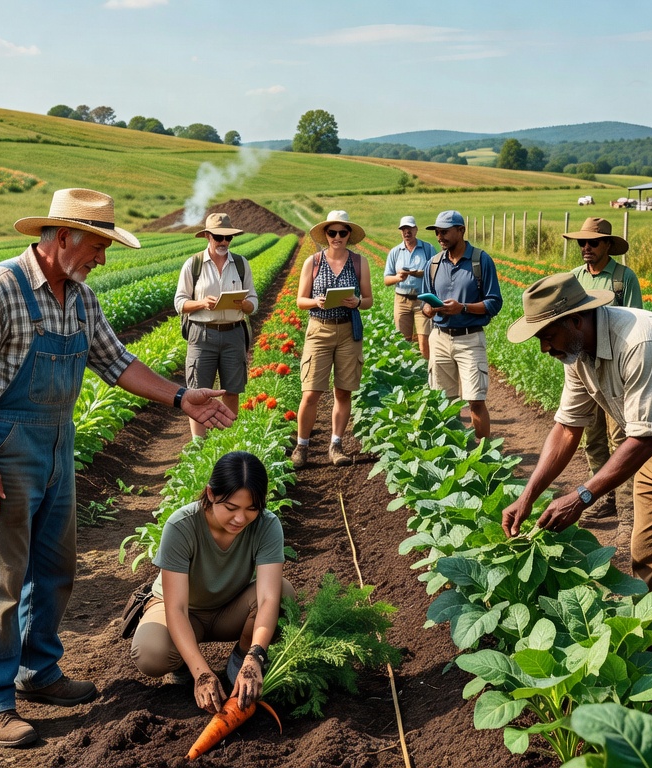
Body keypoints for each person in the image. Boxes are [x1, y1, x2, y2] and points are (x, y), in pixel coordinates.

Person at [0, 188, 236, 747]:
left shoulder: (80, 298)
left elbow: (116, 362)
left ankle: (37, 670)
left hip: (58, 440)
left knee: (54, 567)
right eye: (98, 246)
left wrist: (181, 397)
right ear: (62, 237)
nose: (102, 258)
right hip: (4, 444)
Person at [501, 272, 652, 671]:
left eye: (547, 335)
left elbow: (643, 438)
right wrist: (527, 496)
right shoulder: (576, 353)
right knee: (646, 555)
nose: (544, 347)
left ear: (575, 320)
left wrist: (582, 496)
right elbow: (567, 428)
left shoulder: (639, 342)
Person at [129, 451, 294, 714]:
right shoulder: (182, 526)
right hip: (185, 611)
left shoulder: (266, 526)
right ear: (210, 493)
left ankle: (239, 660)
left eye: (251, 509)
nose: (240, 519)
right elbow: (176, 608)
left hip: (230, 608)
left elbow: (267, 599)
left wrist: (255, 656)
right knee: (151, 652)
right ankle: (185, 664)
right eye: (231, 508)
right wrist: (202, 673)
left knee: (283, 594)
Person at [563, 217, 642, 518]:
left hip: (615, 369)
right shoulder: (573, 278)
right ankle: (602, 498)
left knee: (620, 436)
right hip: (583, 367)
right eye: (582, 242)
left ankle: (627, 507)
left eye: (593, 242)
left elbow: (636, 323)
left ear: (607, 244)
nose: (586, 247)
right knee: (591, 436)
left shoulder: (623, 278)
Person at [292, 210, 374, 469]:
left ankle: (336, 445)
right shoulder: (314, 262)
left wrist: (357, 302)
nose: (337, 237)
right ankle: (302, 446)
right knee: (311, 392)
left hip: (349, 331)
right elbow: (300, 300)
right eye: (332, 232)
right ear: (325, 234)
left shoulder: (359, 263)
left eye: (342, 232)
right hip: (319, 329)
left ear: (349, 235)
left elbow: (369, 300)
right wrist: (315, 301)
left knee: (343, 390)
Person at [175, 213, 258, 438]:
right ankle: (199, 444)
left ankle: (226, 440)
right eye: (218, 237)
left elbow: (253, 300)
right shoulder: (193, 264)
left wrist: (245, 305)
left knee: (232, 390)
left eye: (228, 238)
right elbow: (179, 302)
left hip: (233, 333)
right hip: (202, 335)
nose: (223, 242)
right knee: (198, 393)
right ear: (207, 236)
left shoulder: (240, 264)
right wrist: (202, 303)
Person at [421, 210, 502, 440]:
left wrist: (463, 307)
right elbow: (424, 302)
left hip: (470, 339)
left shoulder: (480, 260)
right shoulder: (433, 264)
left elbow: (494, 303)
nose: (440, 236)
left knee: (475, 400)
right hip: (439, 338)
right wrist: (428, 309)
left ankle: (484, 452)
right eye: (437, 232)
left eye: (445, 232)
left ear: (461, 230)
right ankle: (452, 450)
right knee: (444, 402)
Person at [383, 215, 435, 358]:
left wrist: (421, 274)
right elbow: (387, 280)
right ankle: (407, 370)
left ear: (416, 229)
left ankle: (426, 370)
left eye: (410, 228)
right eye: (404, 229)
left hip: (422, 300)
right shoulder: (395, 252)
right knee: (403, 343)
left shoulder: (427, 249)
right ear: (401, 231)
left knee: (424, 343)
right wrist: (398, 277)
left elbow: (437, 272)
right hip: (402, 301)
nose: (407, 232)